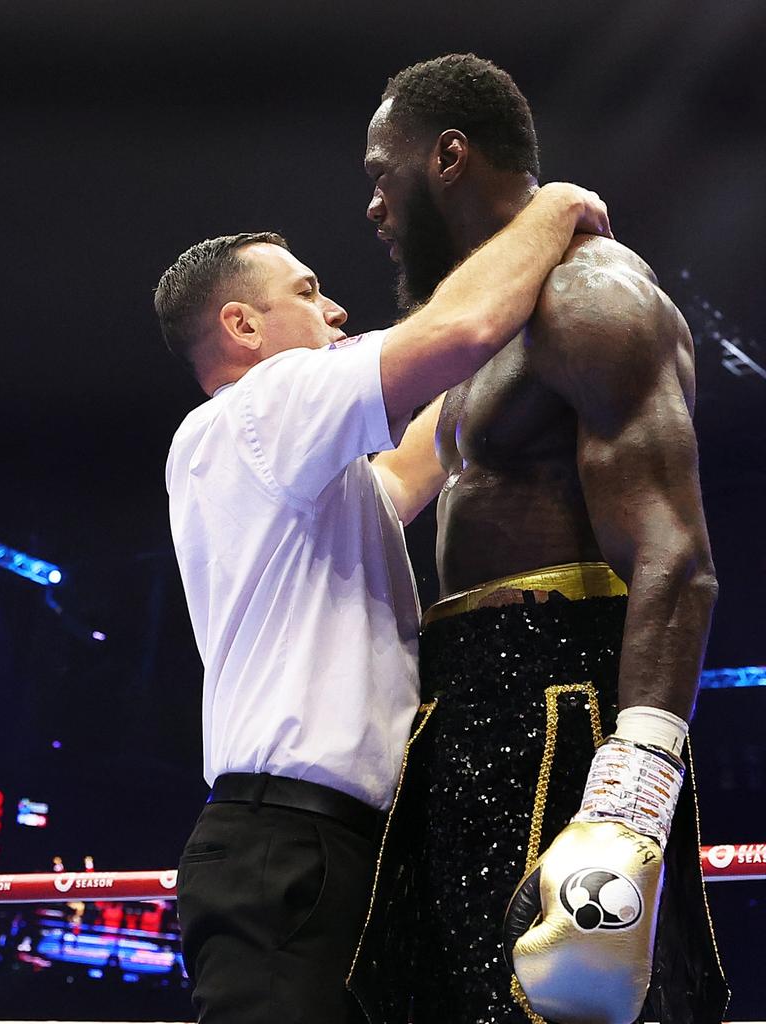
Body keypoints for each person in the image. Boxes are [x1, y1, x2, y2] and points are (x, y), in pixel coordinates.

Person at [154, 184, 611, 1024]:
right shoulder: (260, 407)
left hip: (331, 849)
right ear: (242, 327)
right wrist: (553, 210)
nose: (334, 310)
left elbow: (418, 454)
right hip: (287, 847)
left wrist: (525, 332)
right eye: (305, 291)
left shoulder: (301, 470)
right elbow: (455, 334)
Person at [354, 53, 729, 1024]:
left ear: (447, 157)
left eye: (379, 175)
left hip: (562, 699)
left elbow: (674, 556)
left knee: (556, 1004)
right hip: (466, 700)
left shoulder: (591, 298)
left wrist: (631, 799)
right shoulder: (478, 340)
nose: (373, 207)